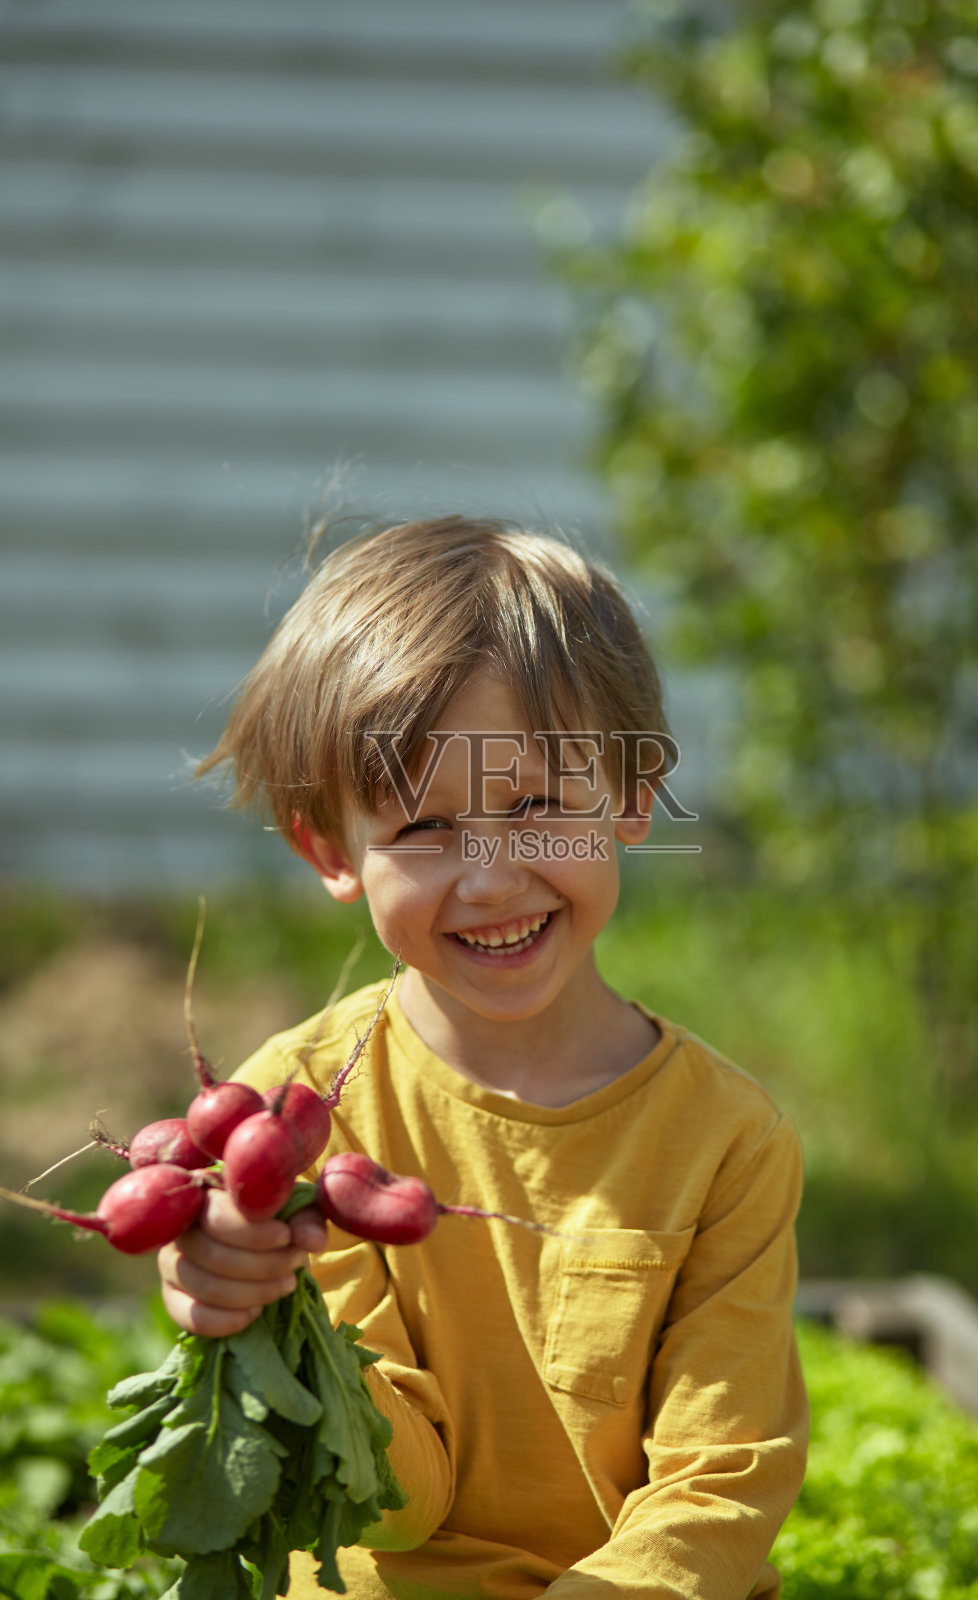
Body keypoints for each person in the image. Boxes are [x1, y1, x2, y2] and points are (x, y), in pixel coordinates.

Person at [158, 516, 808, 1600]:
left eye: (542, 805)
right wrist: (265, 1306)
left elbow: (716, 1488)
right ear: (329, 849)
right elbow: (399, 1499)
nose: (493, 878)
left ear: (632, 796)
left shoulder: (725, 1141)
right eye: (423, 828)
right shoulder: (297, 1107)